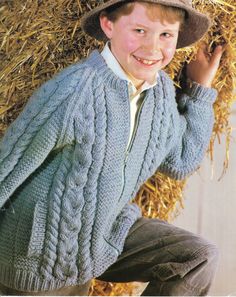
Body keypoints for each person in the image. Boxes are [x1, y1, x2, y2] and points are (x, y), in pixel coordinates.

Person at [0, 0, 224, 295]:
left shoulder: (160, 94)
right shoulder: (74, 91)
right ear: (108, 25)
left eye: (165, 35)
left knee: (196, 257)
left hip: (106, 234)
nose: (152, 48)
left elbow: (181, 160)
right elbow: (8, 168)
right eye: (140, 30)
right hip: (42, 252)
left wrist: (199, 91)